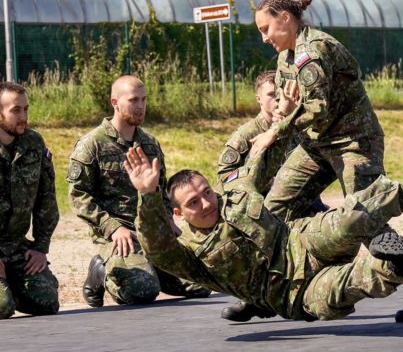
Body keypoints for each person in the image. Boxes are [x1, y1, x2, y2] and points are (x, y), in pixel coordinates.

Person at [251, 0, 403, 323]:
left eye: (267, 28)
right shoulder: (286, 57)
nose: (264, 37)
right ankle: (266, 291)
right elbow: (291, 102)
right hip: (317, 145)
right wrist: (284, 108)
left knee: (364, 215)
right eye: (261, 32)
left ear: (285, 18)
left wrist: (275, 131)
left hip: (354, 142)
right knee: (274, 210)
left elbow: (316, 107)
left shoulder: (313, 51)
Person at [126, 145, 403, 322]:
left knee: (348, 219)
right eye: (193, 202)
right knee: (344, 286)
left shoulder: (238, 194)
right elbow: (155, 245)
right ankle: (397, 264)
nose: (206, 203)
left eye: (206, 192)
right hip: (294, 293)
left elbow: (261, 157)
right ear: (178, 213)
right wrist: (146, 194)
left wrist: (282, 115)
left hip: (300, 240)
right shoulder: (189, 256)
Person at [67, 76, 210, 307]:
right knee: (141, 290)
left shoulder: (149, 144)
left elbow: (161, 190)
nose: (141, 106)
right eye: (134, 100)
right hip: (118, 237)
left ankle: (148, 267)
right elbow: (78, 196)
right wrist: (113, 228)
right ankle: (101, 270)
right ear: (115, 102)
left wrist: (166, 221)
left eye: (144, 99)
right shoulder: (92, 144)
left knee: (202, 284)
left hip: (150, 233)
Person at [216, 70, 330, 321]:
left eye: (281, 95)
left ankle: (305, 295)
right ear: (258, 98)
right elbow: (227, 178)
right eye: (270, 95)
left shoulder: (298, 129)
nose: (277, 101)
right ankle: (255, 297)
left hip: (306, 204)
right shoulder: (245, 136)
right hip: (266, 210)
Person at [0, 82, 59, 319]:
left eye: (26, 109)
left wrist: (40, 248)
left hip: (16, 247)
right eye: (16, 110)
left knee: (46, 301)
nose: (23, 116)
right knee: (2, 307)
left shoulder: (34, 144)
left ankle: (9, 287)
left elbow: (47, 199)